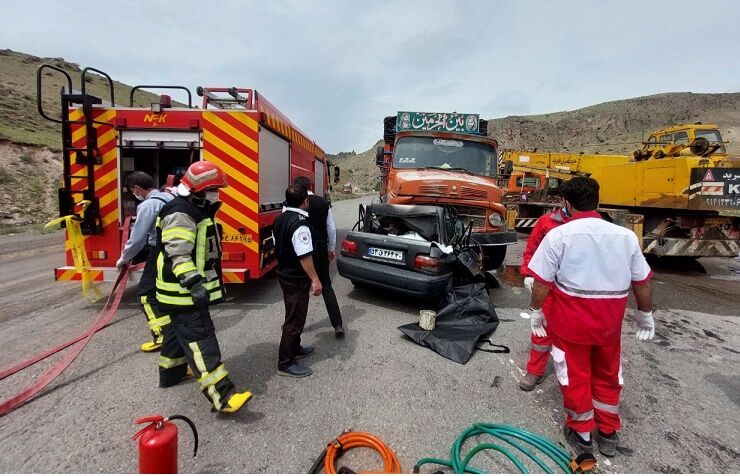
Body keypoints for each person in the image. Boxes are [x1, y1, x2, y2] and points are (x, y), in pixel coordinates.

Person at [526, 177, 654, 458]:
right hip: (609, 327)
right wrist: (646, 314)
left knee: (575, 376)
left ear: (566, 204)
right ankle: (608, 433)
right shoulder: (625, 237)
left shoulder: (559, 236)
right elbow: (642, 282)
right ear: (597, 201)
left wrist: (536, 312)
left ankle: (582, 433)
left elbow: (542, 284)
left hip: (570, 326)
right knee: (608, 376)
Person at [155, 161, 252, 413]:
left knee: (177, 334)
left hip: (175, 292)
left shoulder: (193, 208)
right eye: (214, 189)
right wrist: (194, 284)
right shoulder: (180, 213)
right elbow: (178, 254)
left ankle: (170, 372)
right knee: (201, 339)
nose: (217, 194)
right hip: (183, 292)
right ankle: (223, 396)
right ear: (199, 189)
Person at [116, 171, 174, 352]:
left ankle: (161, 336)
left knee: (146, 295)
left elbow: (137, 238)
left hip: (159, 251)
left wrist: (124, 259)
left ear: (138, 188)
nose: (134, 194)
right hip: (174, 251)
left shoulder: (148, 205)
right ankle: (172, 332)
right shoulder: (169, 197)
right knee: (166, 293)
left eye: (133, 190)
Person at [272, 185, 323, 378]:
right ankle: (285, 363)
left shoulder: (280, 218)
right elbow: (304, 256)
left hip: (286, 275)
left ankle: (295, 348)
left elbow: (278, 246)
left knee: (295, 315)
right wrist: (315, 279)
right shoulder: (300, 223)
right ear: (305, 201)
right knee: (294, 320)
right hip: (296, 279)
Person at [518, 206, 570, 391]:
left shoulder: (589, 226)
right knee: (541, 328)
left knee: (573, 332)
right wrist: (528, 273)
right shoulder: (547, 222)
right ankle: (535, 370)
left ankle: (575, 371)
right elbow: (532, 249)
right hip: (548, 285)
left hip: (574, 289)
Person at [294, 176, 344, 337]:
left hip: (303, 252)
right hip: (321, 248)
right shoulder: (323, 202)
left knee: (301, 288)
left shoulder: (293, 202)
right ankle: (337, 325)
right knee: (326, 286)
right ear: (311, 186)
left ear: (296, 187)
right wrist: (331, 248)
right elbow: (331, 228)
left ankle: (296, 326)